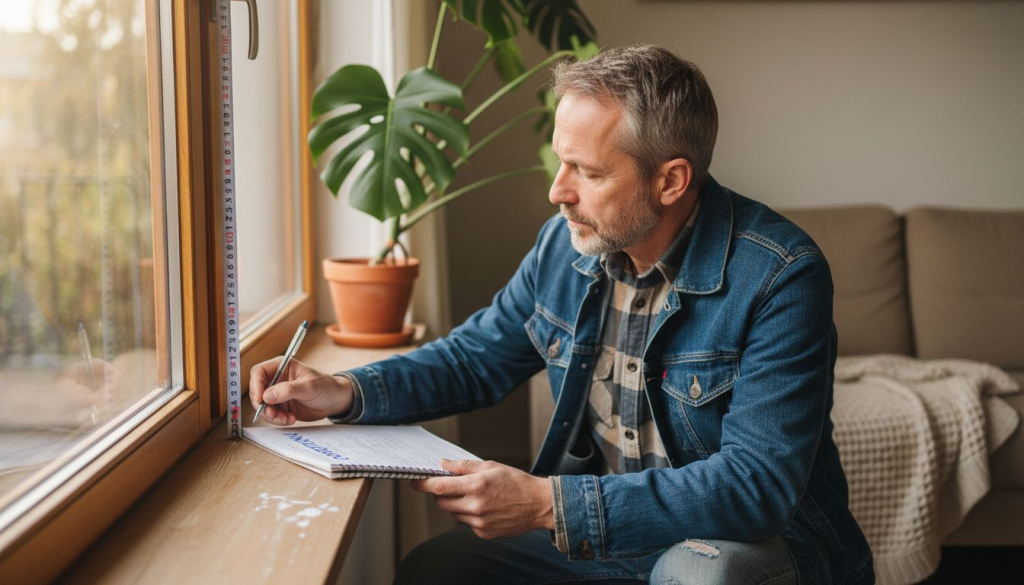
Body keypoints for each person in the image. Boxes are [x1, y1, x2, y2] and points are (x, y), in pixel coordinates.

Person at [249, 45, 874, 585]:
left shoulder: (780, 274)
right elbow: (476, 358)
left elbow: (754, 488)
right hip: (611, 536)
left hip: (739, 544)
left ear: (671, 180)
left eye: (588, 171)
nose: (558, 191)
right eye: (560, 160)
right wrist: (342, 390)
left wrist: (548, 503)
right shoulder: (565, 243)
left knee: (694, 574)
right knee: (436, 570)